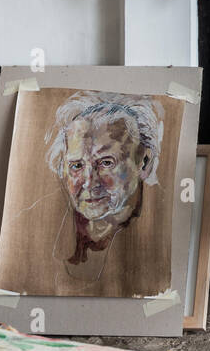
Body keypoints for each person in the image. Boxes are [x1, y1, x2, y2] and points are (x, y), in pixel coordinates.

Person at [45, 91, 163, 267]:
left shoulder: (162, 233)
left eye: (106, 162)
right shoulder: (39, 231)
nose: (88, 182)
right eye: (77, 166)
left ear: (144, 162)